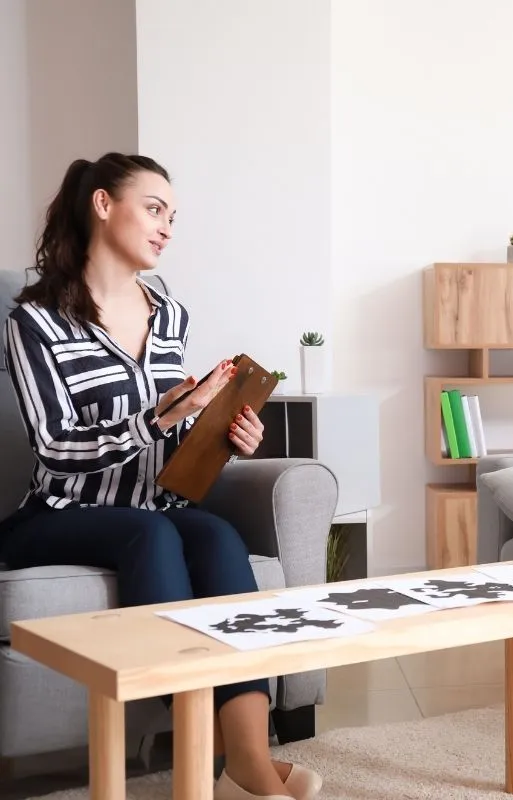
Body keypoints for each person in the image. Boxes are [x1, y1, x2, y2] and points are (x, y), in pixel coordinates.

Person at [0, 153, 321, 800]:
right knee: (149, 537)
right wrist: (161, 414)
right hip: (59, 515)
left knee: (216, 537)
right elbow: (57, 446)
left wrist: (225, 432)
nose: (166, 227)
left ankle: (246, 763)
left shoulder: (168, 313)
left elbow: (172, 432)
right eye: (154, 209)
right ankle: (211, 758)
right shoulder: (34, 320)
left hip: (156, 505)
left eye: (172, 217)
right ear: (102, 205)